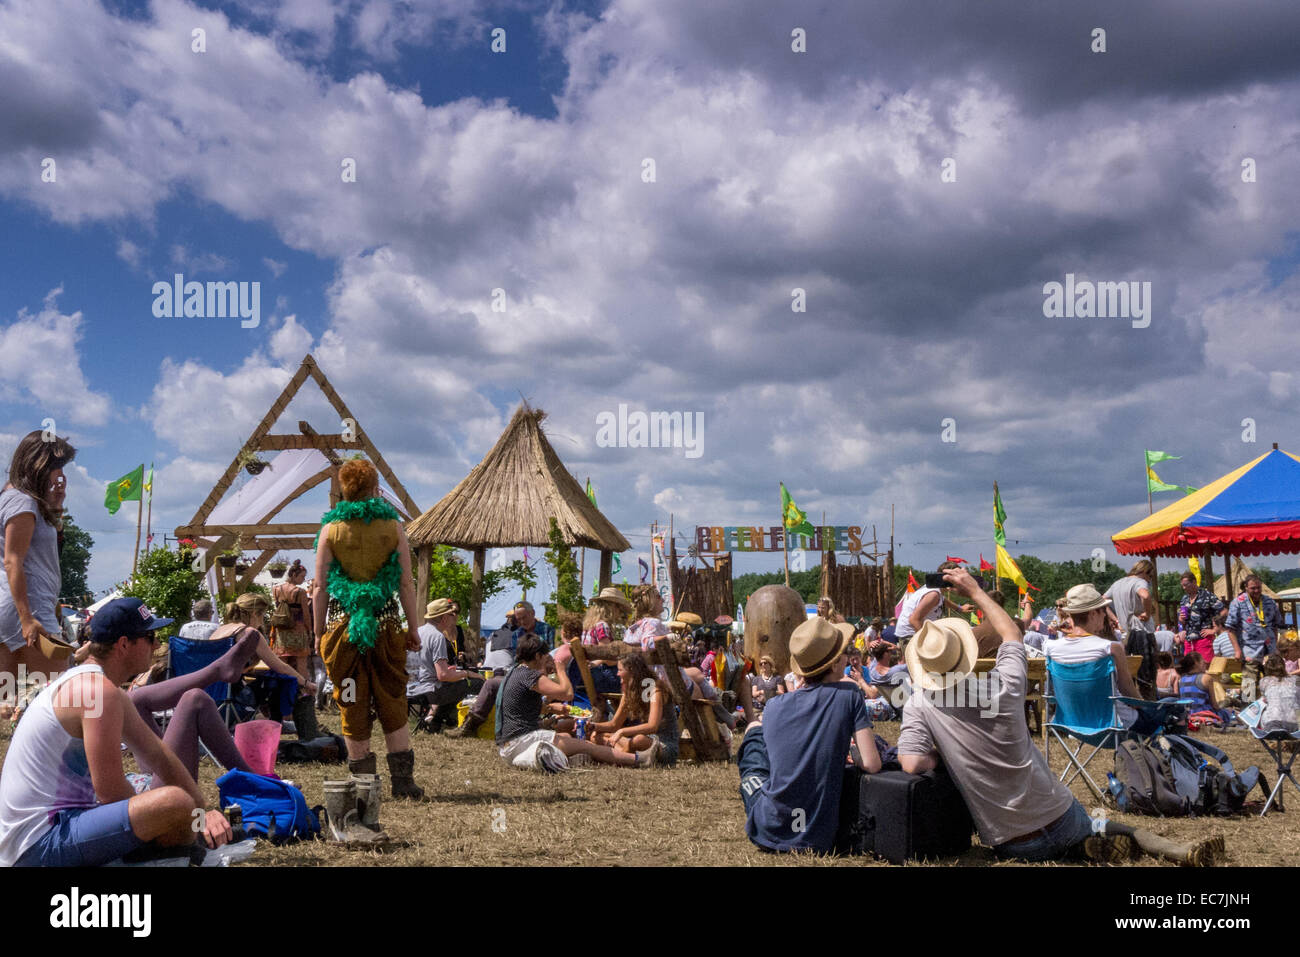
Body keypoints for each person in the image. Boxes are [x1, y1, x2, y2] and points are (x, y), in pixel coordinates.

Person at [896, 567, 1206, 864]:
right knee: (1098, 823)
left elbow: (911, 763)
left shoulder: (919, 704)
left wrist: (943, 756)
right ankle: (1170, 849)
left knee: (1079, 834)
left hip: (1013, 843)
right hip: (1058, 816)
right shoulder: (1003, 683)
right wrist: (976, 591)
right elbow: (1011, 634)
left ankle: (1083, 849)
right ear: (964, 652)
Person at [0, 598, 233, 866]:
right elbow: (110, 792)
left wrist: (201, 812)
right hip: (38, 845)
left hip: (41, 835)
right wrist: (177, 818)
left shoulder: (97, 686)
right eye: (150, 636)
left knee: (179, 803)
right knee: (174, 803)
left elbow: (161, 757)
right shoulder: (97, 692)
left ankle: (175, 851)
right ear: (124, 644)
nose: (157, 645)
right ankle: (172, 855)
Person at [314, 458, 425, 799]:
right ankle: (403, 784)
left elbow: (320, 588)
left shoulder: (330, 531)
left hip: (342, 630)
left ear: (343, 490)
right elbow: (406, 584)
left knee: (350, 698)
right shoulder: (392, 527)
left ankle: (364, 786)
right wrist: (414, 628)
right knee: (392, 696)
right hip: (387, 625)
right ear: (375, 488)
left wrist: (319, 634)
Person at [737, 616, 881, 854]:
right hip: (817, 833)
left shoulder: (774, 706)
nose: (847, 657)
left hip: (769, 828)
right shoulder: (849, 695)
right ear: (835, 665)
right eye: (844, 653)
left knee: (754, 736)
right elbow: (872, 764)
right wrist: (852, 752)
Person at [0, 430, 78, 703]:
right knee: (63, 697)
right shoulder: (22, 500)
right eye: (55, 467)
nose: (60, 475)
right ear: (37, 465)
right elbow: (13, 560)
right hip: (29, 610)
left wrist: (55, 508)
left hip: (15, 608)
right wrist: (27, 619)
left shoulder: (16, 498)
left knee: (6, 701)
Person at [496, 634, 653, 768]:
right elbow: (568, 693)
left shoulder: (514, 673)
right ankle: (639, 760)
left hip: (507, 745)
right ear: (537, 656)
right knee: (589, 746)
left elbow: (521, 706)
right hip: (521, 740)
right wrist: (561, 670)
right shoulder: (529, 675)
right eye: (544, 657)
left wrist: (551, 709)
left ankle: (569, 759)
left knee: (567, 736)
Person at [214, 592, 319, 738]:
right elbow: (280, 666)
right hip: (235, 699)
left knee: (268, 678)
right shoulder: (249, 633)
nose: (263, 620)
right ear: (256, 613)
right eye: (263, 615)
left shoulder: (219, 630)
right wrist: (306, 683)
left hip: (212, 697)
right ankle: (277, 724)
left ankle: (274, 722)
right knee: (281, 679)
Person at [1043, 584, 1147, 730]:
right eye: (1102, 610)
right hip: (1115, 724)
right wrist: (1146, 706)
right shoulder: (1111, 648)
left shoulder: (1050, 648)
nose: (1105, 615)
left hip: (1071, 724)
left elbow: (1050, 691)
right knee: (1173, 712)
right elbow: (1128, 692)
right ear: (1093, 613)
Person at [587, 652, 678, 765]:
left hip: (664, 745)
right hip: (640, 741)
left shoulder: (654, 689)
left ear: (631, 670)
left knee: (638, 740)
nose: (617, 674)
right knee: (596, 736)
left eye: (620, 670)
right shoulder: (629, 691)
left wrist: (621, 731)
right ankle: (627, 756)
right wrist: (593, 726)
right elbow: (614, 724)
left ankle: (618, 757)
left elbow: (652, 726)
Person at [408, 598, 477, 732]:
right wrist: (467, 674)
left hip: (409, 688)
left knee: (455, 682)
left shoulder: (418, 632)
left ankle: (434, 722)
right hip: (429, 691)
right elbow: (443, 675)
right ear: (444, 618)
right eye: (452, 614)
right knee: (474, 684)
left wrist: (449, 671)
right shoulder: (437, 636)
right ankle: (463, 727)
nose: (455, 617)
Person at [1103, 559, 1158, 697]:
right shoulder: (1140, 582)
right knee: (1147, 677)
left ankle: (1132, 708)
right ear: (1145, 572)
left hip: (1125, 636)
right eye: (1150, 576)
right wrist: (1147, 612)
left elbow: (1102, 601)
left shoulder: (1117, 583)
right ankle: (1149, 708)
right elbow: (1145, 595)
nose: (1150, 580)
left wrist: (1115, 619)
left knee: (1128, 676)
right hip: (1142, 632)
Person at [1225, 574, 1283, 701]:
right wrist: (1237, 650)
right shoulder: (1237, 603)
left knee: (1274, 682)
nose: (1256, 591)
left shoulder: (1269, 601)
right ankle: (1247, 715)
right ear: (1246, 587)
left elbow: (1275, 625)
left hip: (1269, 649)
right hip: (1249, 650)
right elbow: (1230, 629)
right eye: (1253, 588)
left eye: (1258, 588)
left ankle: (1273, 710)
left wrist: (1276, 646)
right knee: (1249, 686)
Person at [894, 562, 970, 648]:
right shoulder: (933, 595)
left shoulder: (936, 590)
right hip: (911, 636)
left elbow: (943, 600)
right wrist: (928, 641)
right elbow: (914, 620)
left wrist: (959, 608)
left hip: (911, 634)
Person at [270, 559, 313, 688]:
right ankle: (304, 692)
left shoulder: (276, 589)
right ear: (294, 575)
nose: (303, 579)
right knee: (301, 664)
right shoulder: (299, 592)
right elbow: (306, 615)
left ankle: (282, 690)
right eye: (302, 576)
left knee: (282, 663)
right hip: (297, 629)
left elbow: (277, 608)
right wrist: (309, 630)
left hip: (281, 630)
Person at [1178, 571, 1225, 663]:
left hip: (1204, 639)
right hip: (1189, 640)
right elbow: (1182, 621)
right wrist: (1181, 618)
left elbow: (1223, 612)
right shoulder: (1184, 599)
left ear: (1194, 582)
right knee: (1189, 668)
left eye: (1186, 585)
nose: (1184, 588)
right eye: (1182, 585)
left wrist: (1214, 630)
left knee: (1205, 666)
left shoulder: (1207, 596)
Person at [1258, 653, 1299, 734]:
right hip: (1295, 725)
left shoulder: (1264, 681)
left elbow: (1265, 701)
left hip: (1272, 724)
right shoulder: (1296, 680)